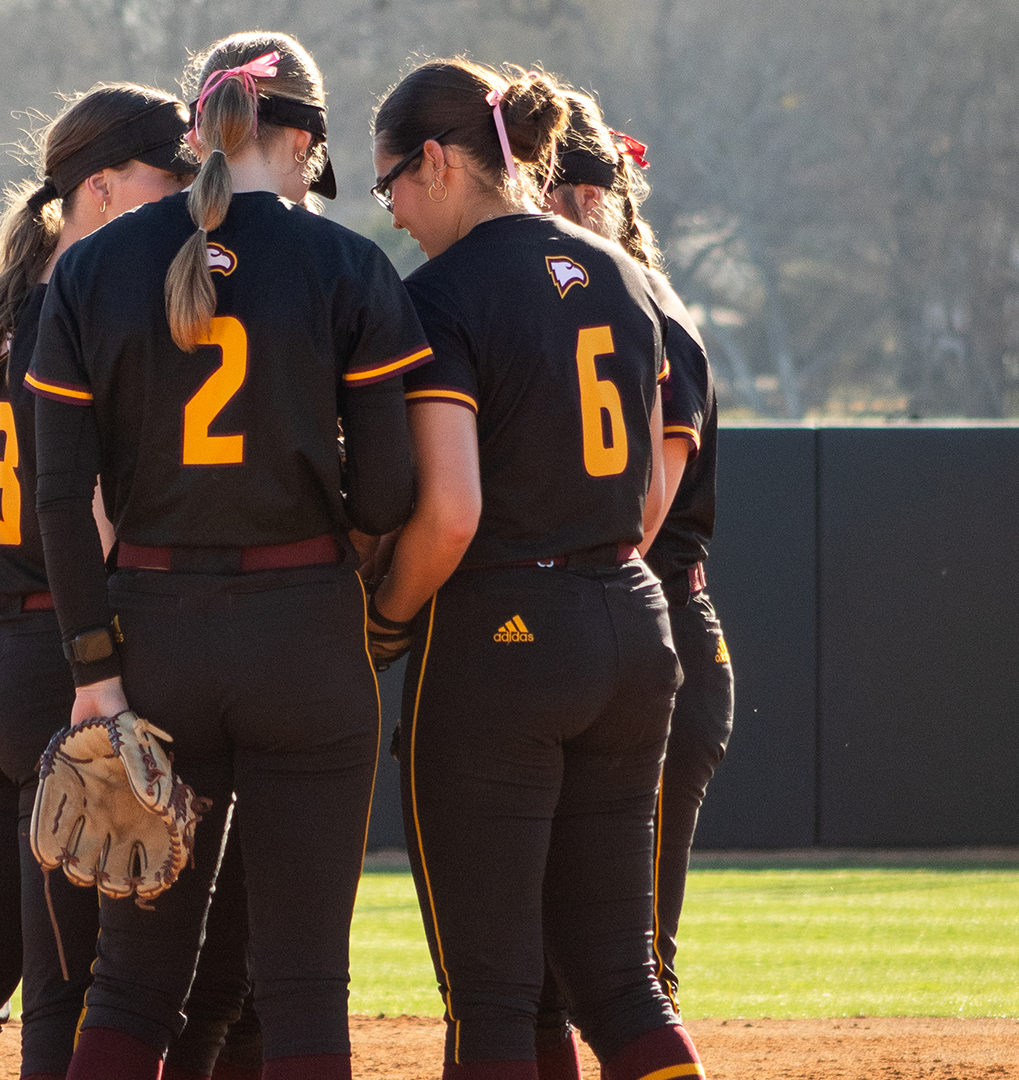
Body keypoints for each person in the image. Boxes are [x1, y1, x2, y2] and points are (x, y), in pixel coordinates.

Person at [29, 30, 424, 1080]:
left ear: (200, 127)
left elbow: (59, 500)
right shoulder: (347, 264)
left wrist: (95, 673)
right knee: (304, 985)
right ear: (302, 140)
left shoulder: (94, 264)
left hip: (153, 636)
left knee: (131, 986)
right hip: (305, 629)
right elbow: (392, 491)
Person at [365, 58, 705, 1080]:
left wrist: (384, 618)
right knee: (623, 984)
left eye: (391, 185)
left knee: (494, 998)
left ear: (436, 161)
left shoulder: (440, 295)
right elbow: (651, 496)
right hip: (631, 618)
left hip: (500, 636)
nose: (394, 213)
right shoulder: (625, 275)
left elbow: (451, 514)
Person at [0, 83, 196, 1080]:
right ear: (101, 188)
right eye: (167, 180)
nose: (184, 200)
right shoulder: (97, 320)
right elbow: (93, 526)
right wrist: (107, 683)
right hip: (67, 668)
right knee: (69, 1001)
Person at [533, 89, 733, 1076]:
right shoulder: (572, 305)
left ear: (592, 197)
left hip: (652, 629)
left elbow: (642, 514)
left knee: (627, 968)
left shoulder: (649, 309)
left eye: (549, 190)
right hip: (598, 636)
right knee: (540, 966)